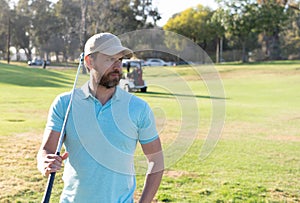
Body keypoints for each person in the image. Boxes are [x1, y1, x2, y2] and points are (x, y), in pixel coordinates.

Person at [37, 32, 164, 203]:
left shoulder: (138, 108)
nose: (117, 66)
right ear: (89, 61)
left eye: (119, 60)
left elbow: (156, 160)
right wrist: (45, 162)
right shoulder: (64, 103)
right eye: (110, 59)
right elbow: (46, 151)